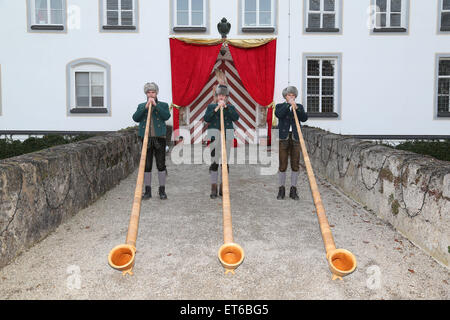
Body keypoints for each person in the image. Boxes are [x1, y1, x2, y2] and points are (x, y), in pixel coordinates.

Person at [132, 82, 171, 200]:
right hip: (146, 138)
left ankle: (162, 190)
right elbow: (136, 118)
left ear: (156, 93)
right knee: (147, 165)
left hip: (159, 138)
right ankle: (147, 191)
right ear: (146, 93)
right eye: (149, 92)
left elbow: (166, 116)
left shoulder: (163, 105)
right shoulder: (141, 105)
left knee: (160, 164)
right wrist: (145, 108)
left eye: (153, 92)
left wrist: (156, 106)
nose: (151, 94)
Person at [204, 85, 239, 199]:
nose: (221, 97)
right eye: (219, 95)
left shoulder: (231, 107)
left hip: (228, 135)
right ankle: (213, 188)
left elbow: (236, 118)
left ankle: (223, 187)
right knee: (214, 162)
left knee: (225, 162)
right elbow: (207, 119)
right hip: (214, 134)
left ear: (227, 97)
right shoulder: (211, 106)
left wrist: (227, 108)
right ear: (216, 97)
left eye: (223, 95)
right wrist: (216, 109)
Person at [275, 86, 308, 200]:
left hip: (295, 138)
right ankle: (281, 189)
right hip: (283, 137)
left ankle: (293, 189)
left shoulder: (300, 107)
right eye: (289, 95)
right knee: (283, 164)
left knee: (295, 164)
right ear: (285, 96)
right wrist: (288, 105)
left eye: (293, 95)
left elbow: (304, 118)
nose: (291, 97)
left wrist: (297, 108)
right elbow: (279, 114)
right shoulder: (280, 106)